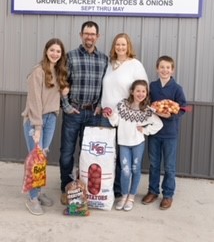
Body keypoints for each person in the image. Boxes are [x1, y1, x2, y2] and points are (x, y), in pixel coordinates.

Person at [59, 20, 108, 205]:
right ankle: (66, 187)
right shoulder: (70, 56)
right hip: (74, 112)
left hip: (93, 114)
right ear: (81, 35)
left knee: (88, 154)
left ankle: (84, 189)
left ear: (98, 36)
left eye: (92, 34)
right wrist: (67, 106)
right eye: (86, 33)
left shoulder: (103, 59)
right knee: (67, 153)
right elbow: (62, 83)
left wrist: (100, 105)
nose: (89, 37)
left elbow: (106, 86)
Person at [22, 38, 69, 216]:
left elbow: (56, 94)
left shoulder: (58, 71)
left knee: (42, 158)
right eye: (52, 50)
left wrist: (64, 90)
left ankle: (38, 192)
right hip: (36, 120)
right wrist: (37, 126)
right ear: (46, 51)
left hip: (51, 119)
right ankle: (32, 199)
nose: (55, 53)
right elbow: (34, 101)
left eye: (58, 51)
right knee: (37, 160)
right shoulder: (38, 71)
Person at [101, 33, 148, 197]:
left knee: (123, 157)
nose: (120, 47)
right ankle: (106, 188)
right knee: (108, 154)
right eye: (117, 44)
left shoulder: (135, 65)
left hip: (125, 118)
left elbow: (143, 90)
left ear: (128, 46)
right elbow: (107, 89)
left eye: (123, 44)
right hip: (107, 116)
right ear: (114, 46)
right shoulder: (110, 64)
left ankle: (120, 190)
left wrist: (138, 113)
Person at [106, 80, 163, 211]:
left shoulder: (146, 110)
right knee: (125, 171)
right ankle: (124, 196)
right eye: (138, 91)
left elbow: (159, 124)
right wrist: (111, 115)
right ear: (132, 91)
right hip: (124, 143)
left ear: (146, 93)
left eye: (143, 91)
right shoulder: (122, 105)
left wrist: (146, 130)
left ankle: (131, 197)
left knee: (135, 169)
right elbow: (115, 122)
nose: (140, 93)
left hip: (138, 144)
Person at [142, 55, 187, 210]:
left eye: (168, 67)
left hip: (170, 133)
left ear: (172, 70)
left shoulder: (177, 88)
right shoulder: (152, 86)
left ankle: (168, 194)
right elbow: (146, 104)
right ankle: (153, 191)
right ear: (157, 69)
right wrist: (151, 107)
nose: (165, 70)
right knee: (154, 164)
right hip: (154, 132)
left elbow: (183, 108)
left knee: (169, 166)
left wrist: (172, 114)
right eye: (162, 67)